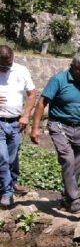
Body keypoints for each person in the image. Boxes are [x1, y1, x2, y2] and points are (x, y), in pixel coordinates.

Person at [30, 54, 80, 213]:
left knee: (78, 163)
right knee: (68, 160)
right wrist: (35, 128)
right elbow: (42, 103)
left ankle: (66, 198)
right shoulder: (58, 80)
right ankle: (74, 200)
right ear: (73, 67)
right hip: (59, 125)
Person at [0, 46, 37, 208]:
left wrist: (25, 115)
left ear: (12, 58)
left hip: (16, 122)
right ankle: (7, 193)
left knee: (12, 157)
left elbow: (32, 94)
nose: (4, 68)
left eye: (7, 64)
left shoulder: (21, 71)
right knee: (2, 157)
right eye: (1, 64)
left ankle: (12, 182)